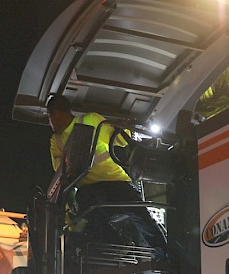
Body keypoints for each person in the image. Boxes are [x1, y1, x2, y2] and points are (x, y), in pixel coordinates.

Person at [46, 94, 167, 260]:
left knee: (140, 215)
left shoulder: (90, 120)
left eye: (49, 117)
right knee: (89, 213)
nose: (49, 122)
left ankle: (164, 254)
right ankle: (117, 243)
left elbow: (119, 141)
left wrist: (122, 129)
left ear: (56, 113)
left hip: (115, 181)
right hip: (90, 190)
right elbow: (59, 170)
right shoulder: (56, 140)